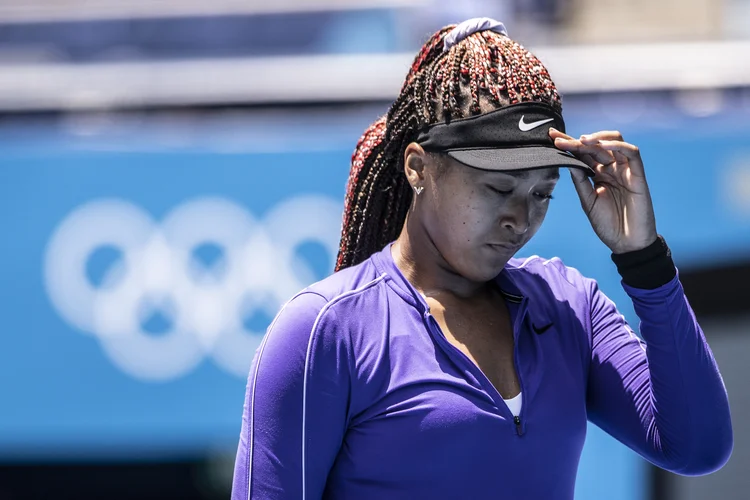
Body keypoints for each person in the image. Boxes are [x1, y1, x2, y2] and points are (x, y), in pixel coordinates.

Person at [231, 18, 733, 499]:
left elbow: (698, 447)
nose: (520, 217)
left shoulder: (570, 307)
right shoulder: (323, 330)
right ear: (417, 168)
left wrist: (643, 257)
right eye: (498, 187)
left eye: (542, 194)